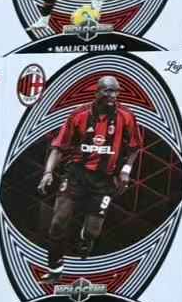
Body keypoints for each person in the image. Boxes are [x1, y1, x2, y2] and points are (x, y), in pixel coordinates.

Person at [37, 75, 142, 288]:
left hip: (104, 179)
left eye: (116, 91)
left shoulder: (126, 116)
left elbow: (134, 146)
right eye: (108, 91)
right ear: (97, 91)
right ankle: (55, 270)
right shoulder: (79, 115)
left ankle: (85, 238)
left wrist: (126, 171)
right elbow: (59, 147)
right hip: (76, 175)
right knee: (58, 223)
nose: (113, 95)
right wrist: (48, 173)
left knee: (93, 231)